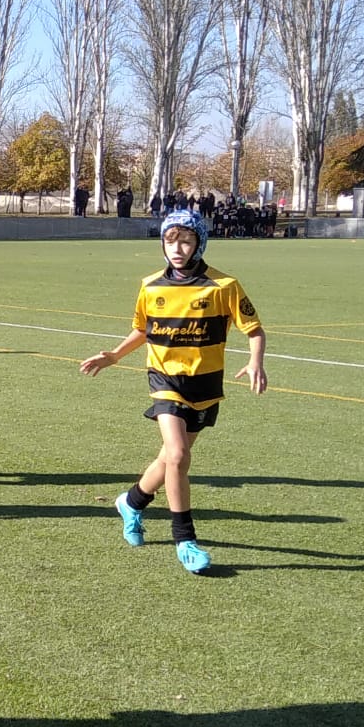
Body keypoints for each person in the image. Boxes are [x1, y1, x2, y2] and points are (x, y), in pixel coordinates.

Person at [78, 209, 269, 575]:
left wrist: (256, 361)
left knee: (169, 458)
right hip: (165, 379)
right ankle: (186, 540)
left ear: (200, 243)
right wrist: (114, 355)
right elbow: (144, 330)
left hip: (206, 383)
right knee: (179, 455)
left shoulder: (223, 286)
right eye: (170, 240)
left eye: (186, 240)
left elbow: (254, 330)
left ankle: (131, 502)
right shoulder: (151, 286)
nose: (177, 248)